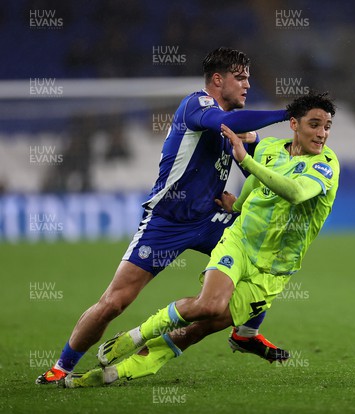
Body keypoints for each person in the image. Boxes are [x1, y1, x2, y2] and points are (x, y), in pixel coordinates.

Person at [36, 47, 292, 385]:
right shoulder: (197, 105)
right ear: (218, 79)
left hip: (209, 218)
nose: (247, 84)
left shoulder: (236, 127)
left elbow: (267, 156)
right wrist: (286, 112)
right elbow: (228, 123)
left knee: (268, 254)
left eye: (249, 77)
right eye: (240, 77)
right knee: (115, 302)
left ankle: (245, 333)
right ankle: (62, 367)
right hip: (166, 221)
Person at [64, 92, 339, 387]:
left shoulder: (326, 165)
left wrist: (246, 160)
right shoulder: (270, 148)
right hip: (240, 242)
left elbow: (295, 192)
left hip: (273, 271)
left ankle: (110, 374)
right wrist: (238, 205)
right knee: (209, 304)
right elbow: (255, 183)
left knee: (198, 330)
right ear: (294, 124)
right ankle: (136, 336)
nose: (322, 134)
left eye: (327, 127)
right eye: (315, 125)